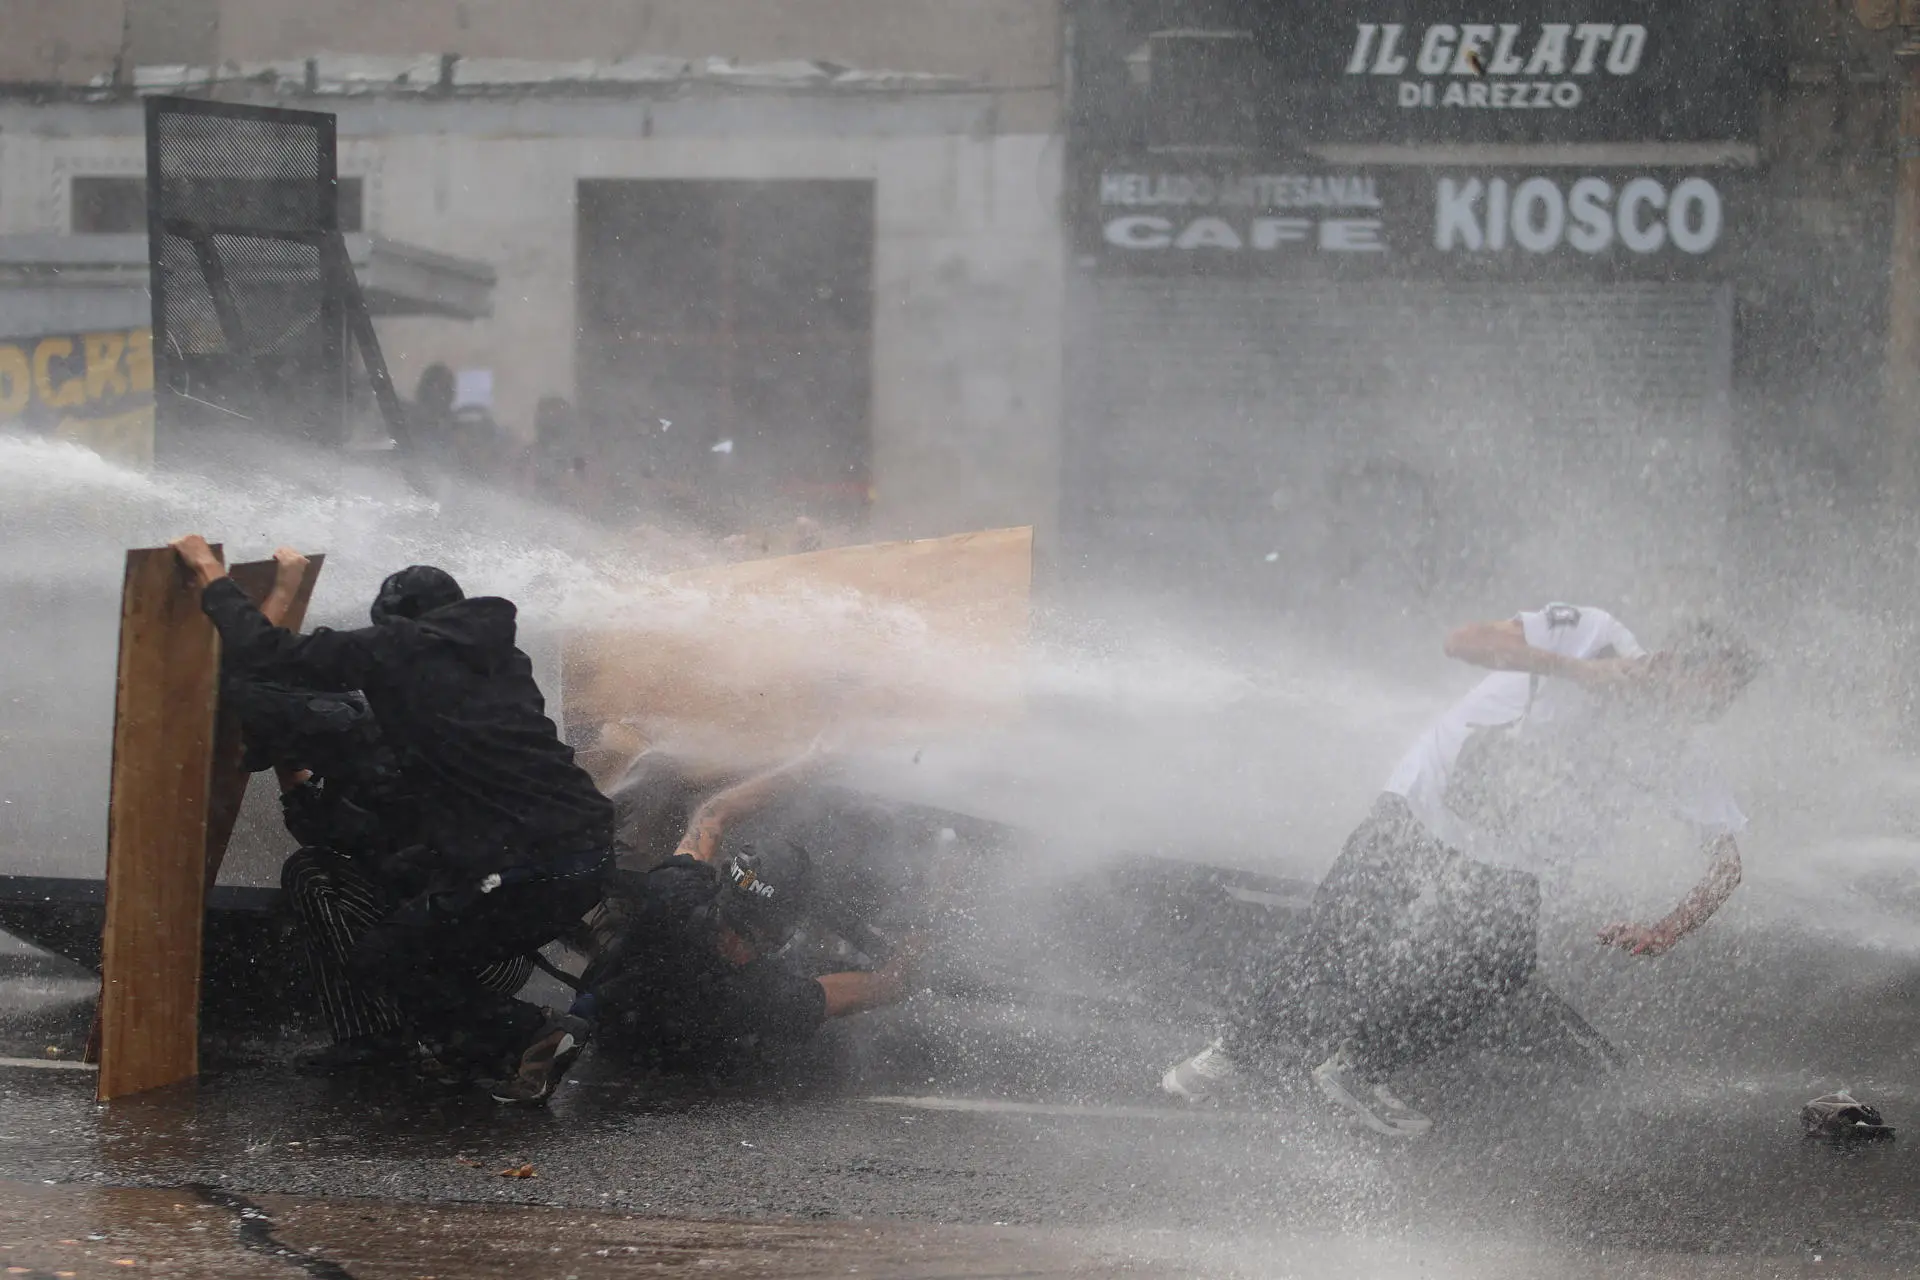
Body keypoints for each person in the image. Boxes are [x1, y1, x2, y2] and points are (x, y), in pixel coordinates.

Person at [1161, 604, 1758, 1137]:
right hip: (1426, 802)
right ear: (1676, 662)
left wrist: (1667, 930)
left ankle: (1355, 1067)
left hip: (1507, 854)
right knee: (1341, 931)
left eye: (1726, 703)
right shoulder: (1594, 636)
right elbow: (1464, 641)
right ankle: (1228, 1058)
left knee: (1501, 964)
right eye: (1714, 692)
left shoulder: (1672, 750)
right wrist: (1579, 672)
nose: (1714, 711)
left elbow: (1725, 863)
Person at [170, 536, 616, 1104]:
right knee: (423, 938)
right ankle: (483, 1053)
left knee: (393, 955)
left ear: (393, 621)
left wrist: (213, 572)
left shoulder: (401, 649)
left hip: (528, 861)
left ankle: (534, 1035)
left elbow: (263, 656)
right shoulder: (500, 657)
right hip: (584, 853)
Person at [575, 746, 920, 1075]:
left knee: (649, 788)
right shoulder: (766, 997)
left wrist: (805, 766)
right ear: (779, 928)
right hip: (665, 1065)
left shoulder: (676, 893)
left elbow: (714, 813)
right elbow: (888, 984)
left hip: (612, 1023)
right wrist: (921, 936)